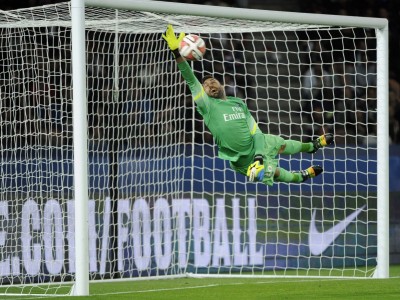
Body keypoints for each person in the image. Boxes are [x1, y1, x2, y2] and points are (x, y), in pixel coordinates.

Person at [162, 25, 334, 186]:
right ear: (204, 93)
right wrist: (176, 52)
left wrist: (259, 155)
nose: (210, 83)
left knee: (281, 144)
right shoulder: (207, 106)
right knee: (273, 172)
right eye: (206, 85)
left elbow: (255, 131)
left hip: (257, 145)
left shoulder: (237, 102)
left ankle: (312, 146)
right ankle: (301, 177)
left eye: (212, 80)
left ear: (222, 85)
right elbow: (191, 80)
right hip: (241, 160)